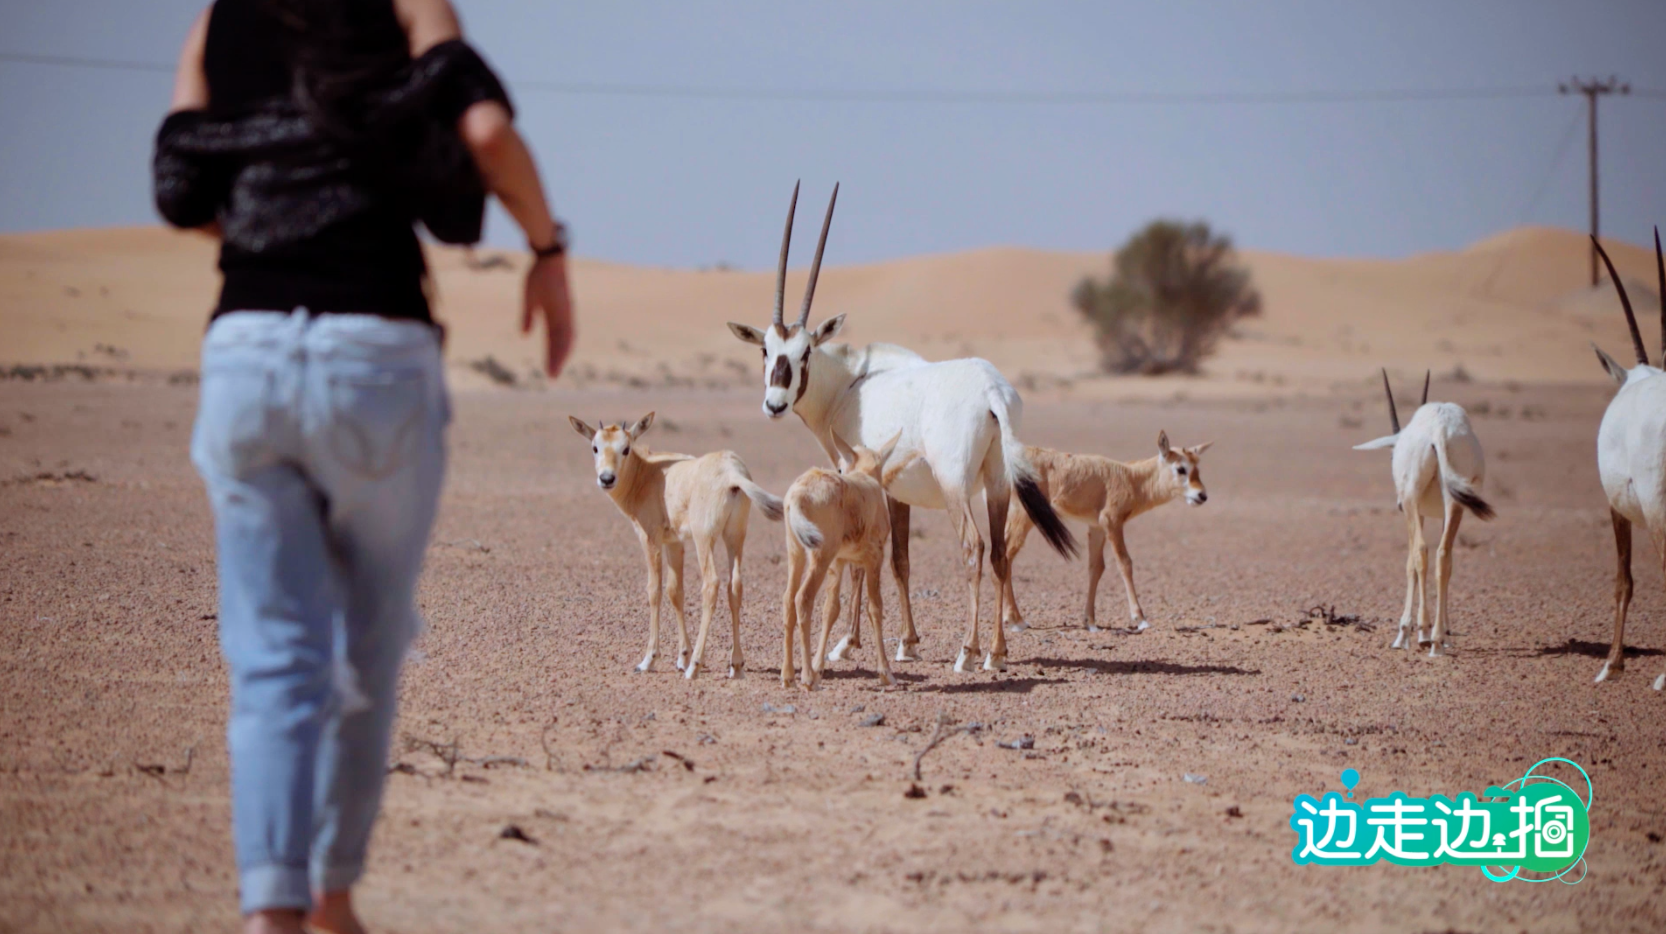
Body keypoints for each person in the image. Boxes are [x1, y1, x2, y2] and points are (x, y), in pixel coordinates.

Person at [154, 1, 572, 931]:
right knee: (363, 646)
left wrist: (270, 225)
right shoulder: (408, 5)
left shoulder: (219, 17)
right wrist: (548, 251)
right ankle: (334, 898)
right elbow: (488, 132)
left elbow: (182, 184)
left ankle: (272, 910)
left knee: (271, 661)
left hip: (247, 352)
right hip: (373, 355)